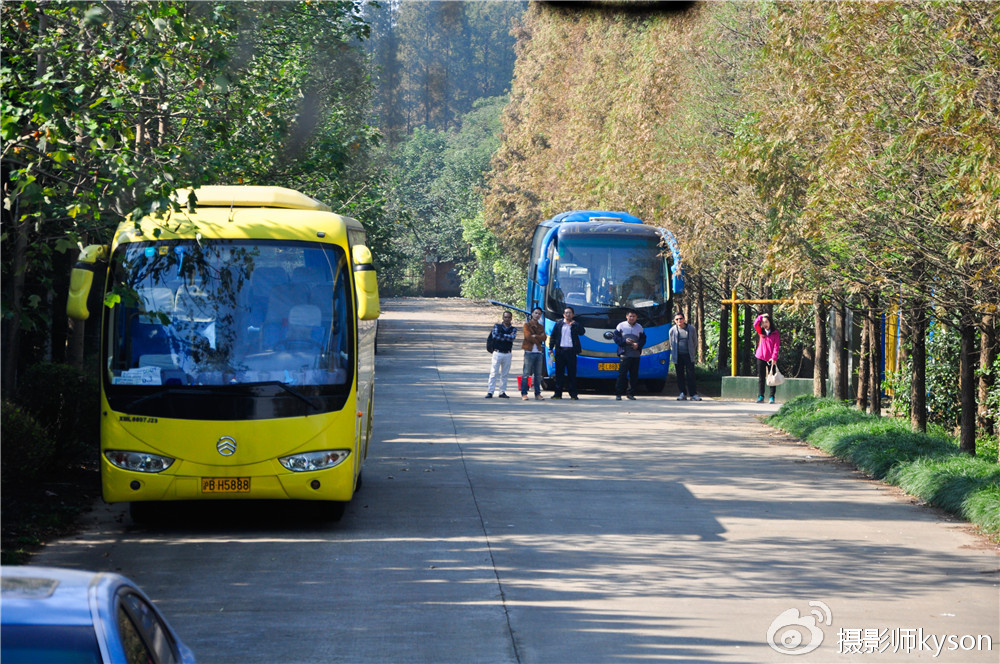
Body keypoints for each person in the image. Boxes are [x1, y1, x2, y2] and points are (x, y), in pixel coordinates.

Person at [547, 306, 585, 400]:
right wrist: (551, 348)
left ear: (573, 315)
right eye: (566, 313)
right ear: (564, 315)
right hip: (560, 351)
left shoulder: (575, 324)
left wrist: (575, 324)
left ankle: (573, 394)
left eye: (570, 313)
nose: (568, 314)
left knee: (572, 373)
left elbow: (582, 332)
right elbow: (553, 336)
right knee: (559, 373)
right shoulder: (559, 324)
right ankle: (558, 393)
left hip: (571, 352)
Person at [612, 310, 645, 401]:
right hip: (624, 354)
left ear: (636, 317)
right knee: (622, 375)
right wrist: (624, 341)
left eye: (634, 316)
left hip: (635, 355)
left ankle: (630, 393)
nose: (632, 318)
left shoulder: (640, 327)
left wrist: (638, 345)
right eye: (630, 316)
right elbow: (615, 338)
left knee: (634, 375)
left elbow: (643, 339)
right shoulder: (621, 326)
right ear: (626, 316)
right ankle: (618, 394)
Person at [669, 312, 702, 401]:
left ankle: (693, 394)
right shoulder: (672, 330)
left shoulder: (691, 329)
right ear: (675, 320)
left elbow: (695, 341)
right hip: (678, 356)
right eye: (677, 319)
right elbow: (671, 343)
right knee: (680, 375)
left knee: (691, 375)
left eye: (680, 319)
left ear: (684, 319)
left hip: (688, 355)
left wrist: (692, 351)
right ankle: (682, 393)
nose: (679, 321)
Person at [486, 310, 517, 398]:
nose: (507, 319)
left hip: (507, 353)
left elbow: (512, 338)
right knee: (493, 372)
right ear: (503, 318)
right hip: (497, 352)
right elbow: (495, 336)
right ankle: (490, 391)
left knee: (504, 374)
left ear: (511, 318)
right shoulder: (497, 326)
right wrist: (507, 336)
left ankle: (502, 392)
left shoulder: (513, 329)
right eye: (505, 317)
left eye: (509, 317)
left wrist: (502, 335)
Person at [754, 312, 781, 404]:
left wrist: (774, 358)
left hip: (771, 359)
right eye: (763, 322)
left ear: (770, 322)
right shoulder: (760, 331)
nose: (764, 324)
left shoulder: (775, 333)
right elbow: (755, 324)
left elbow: (776, 346)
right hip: (760, 356)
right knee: (761, 378)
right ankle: (761, 396)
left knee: (772, 378)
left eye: (766, 322)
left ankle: (772, 397)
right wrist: (761, 316)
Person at [521, 307, 547, 400]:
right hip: (529, 352)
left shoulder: (541, 326)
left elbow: (544, 338)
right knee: (526, 373)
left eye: (539, 314)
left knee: (538, 374)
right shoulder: (527, 325)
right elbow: (528, 337)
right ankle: (524, 393)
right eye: (536, 313)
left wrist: (535, 336)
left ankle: (537, 393)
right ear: (532, 314)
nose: (537, 315)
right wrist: (538, 337)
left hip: (538, 352)